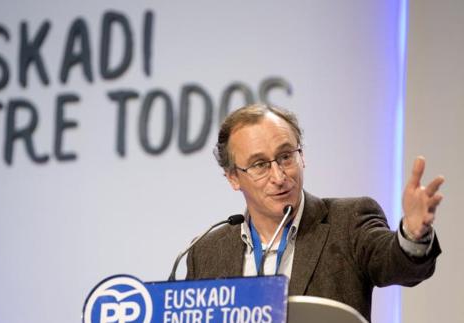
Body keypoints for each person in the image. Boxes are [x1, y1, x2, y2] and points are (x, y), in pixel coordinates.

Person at [185, 104, 443, 321]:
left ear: (302, 156)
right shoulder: (206, 253)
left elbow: (396, 264)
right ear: (233, 178)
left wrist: (412, 233)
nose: (279, 176)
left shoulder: (348, 222)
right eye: (260, 164)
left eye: (286, 156)